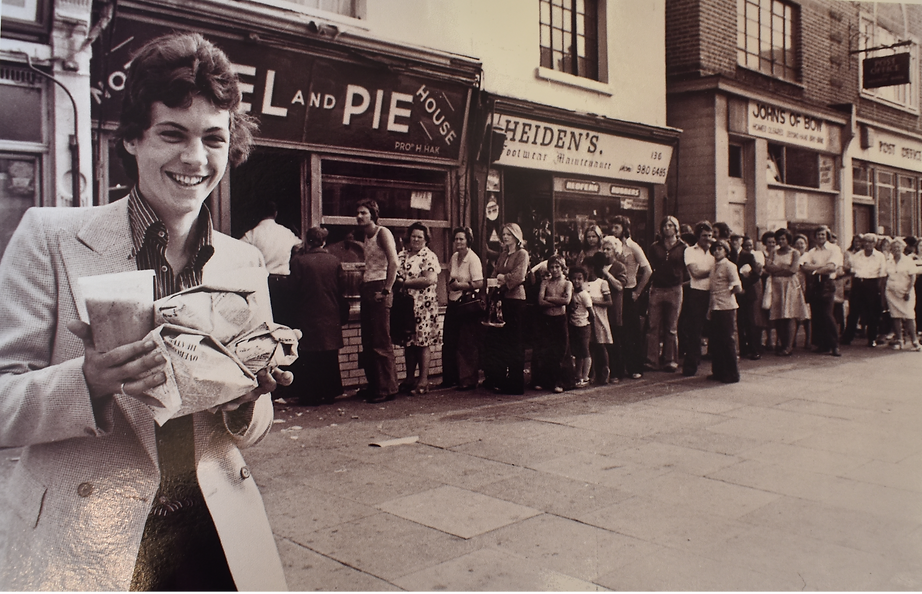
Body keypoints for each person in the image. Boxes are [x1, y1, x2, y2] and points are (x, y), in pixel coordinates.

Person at [0, 33, 289, 590]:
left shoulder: (243, 262)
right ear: (133, 138)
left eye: (214, 138)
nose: (195, 159)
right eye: (172, 134)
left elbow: (251, 430)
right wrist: (85, 383)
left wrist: (249, 400)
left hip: (214, 538)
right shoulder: (49, 239)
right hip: (88, 542)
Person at [289, 226, 347, 405]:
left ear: (308, 241)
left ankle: (310, 395)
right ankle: (330, 392)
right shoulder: (335, 261)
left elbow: (293, 289)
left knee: (309, 356)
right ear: (324, 241)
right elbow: (341, 290)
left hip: (307, 314)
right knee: (329, 355)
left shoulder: (299, 262)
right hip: (330, 313)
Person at [356, 199, 399, 403]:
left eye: (363, 212)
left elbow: (394, 261)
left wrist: (386, 290)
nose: (359, 216)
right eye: (358, 213)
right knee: (369, 339)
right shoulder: (365, 235)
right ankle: (374, 384)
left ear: (373, 214)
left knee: (381, 339)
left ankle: (387, 388)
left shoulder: (383, 233)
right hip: (368, 286)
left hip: (380, 286)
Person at [482, 223, 529, 395]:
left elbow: (518, 276)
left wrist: (503, 278)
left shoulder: (522, 254)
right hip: (501, 300)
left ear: (516, 236)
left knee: (515, 341)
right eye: (503, 234)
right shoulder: (502, 255)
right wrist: (496, 281)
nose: (505, 237)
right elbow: (494, 274)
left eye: (508, 234)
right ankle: (499, 379)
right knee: (500, 341)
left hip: (515, 301)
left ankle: (515, 383)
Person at [395, 222, 441, 395]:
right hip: (405, 306)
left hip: (424, 306)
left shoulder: (429, 256)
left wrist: (404, 283)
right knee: (409, 342)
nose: (416, 239)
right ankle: (409, 378)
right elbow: (393, 273)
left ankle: (423, 380)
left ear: (426, 239)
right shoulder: (402, 255)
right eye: (413, 236)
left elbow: (429, 279)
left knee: (422, 343)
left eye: (420, 237)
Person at [240, 200, 302, 325]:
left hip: (263, 283)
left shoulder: (252, 234)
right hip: (284, 283)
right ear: (275, 213)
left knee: (265, 321)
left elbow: (238, 249)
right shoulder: (286, 232)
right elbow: (299, 246)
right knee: (283, 321)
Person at [442, 227, 484, 391]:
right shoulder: (454, 257)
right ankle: (451, 378)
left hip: (467, 305)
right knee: (450, 340)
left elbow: (479, 283)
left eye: (462, 239)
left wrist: (461, 286)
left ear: (468, 241)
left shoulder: (473, 259)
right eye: (456, 239)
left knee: (466, 342)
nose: (458, 242)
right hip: (454, 302)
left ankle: (467, 379)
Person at [610, 215, 652, 379]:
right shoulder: (611, 245)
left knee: (632, 331)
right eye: (612, 227)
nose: (614, 230)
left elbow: (648, 270)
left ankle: (635, 367)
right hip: (616, 291)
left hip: (629, 291)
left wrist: (638, 291)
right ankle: (619, 368)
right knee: (618, 330)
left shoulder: (633, 247)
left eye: (617, 227)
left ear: (624, 228)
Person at [645, 215, 687, 372]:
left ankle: (670, 360)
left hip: (675, 289)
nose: (667, 228)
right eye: (665, 226)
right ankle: (651, 360)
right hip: (657, 289)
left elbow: (687, 269)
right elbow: (651, 267)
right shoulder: (655, 247)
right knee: (653, 326)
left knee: (671, 327)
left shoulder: (683, 247)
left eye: (670, 225)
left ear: (676, 228)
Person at [764, 228, 809, 356]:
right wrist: (784, 268)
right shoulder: (774, 252)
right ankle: (782, 343)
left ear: (788, 239)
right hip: (776, 286)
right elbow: (768, 267)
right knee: (778, 315)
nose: (780, 241)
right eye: (778, 239)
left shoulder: (794, 253)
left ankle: (788, 346)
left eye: (783, 238)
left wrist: (777, 269)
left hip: (790, 285)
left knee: (789, 315)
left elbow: (793, 270)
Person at [801, 225, 843, 356]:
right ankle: (822, 344)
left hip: (827, 283)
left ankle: (834, 344)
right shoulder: (812, 252)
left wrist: (814, 269)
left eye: (823, 235)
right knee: (816, 315)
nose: (820, 237)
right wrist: (820, 267)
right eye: (818, 235)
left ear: (827, 236)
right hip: (815, 284)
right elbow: (804, 266)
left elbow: (831, 268)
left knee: (827, 314)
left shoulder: (834, 249)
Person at [680, 221, 714, 376]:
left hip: (715, 293)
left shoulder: (716, 250)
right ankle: (691, 365)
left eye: (710, 235)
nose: (708, 239)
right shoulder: (690, 251)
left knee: (716, 330)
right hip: (698, 293)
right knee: (695, 330)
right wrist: (716, 270)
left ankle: (718, 366)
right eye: (704, 236)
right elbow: (696, 273)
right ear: (698, 237)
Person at [534, 255, 572, 393]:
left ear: (563, 268)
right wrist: (557, 299)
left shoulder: (567, 283)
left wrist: (549, 298)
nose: (554, 270)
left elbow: (566, 301)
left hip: (560, 319)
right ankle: (545, 380)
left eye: (557, 267)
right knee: (546, 350)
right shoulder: (545, 283)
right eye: (552, 267)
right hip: (547, 319)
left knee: (560, 350)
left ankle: (560, 381)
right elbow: (540, 301)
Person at [841, 233, 887, 348]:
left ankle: (871, 339)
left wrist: (879, 289)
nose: (867, 244)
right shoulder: (857, 255)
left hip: (872, 284)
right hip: (858, 284)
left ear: (875, 243)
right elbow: (851, 269)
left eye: (870, 242)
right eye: (865, 241)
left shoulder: (880, 256)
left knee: (873, 314)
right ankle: (848, 337)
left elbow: (882, 274)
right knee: (853, 313)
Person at [708, 241, 743, 383]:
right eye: (714, 249)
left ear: (726, 251)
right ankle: (718, 371)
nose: (717, 252)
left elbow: (737, 287)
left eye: (720, 249)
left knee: (727, 340)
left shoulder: (729, 266)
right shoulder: (713, 267)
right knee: (716, 340)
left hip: (726, 307)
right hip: (715, 307)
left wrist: (727, 293)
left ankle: (733, 373)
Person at [600, 236, 628, 382]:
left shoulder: (620, 267)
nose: (605, 252)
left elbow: (619, 286)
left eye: (608, 249)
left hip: (614, 308)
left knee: (615, 341)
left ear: (615, 251)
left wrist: (607, 274)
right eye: (603, 249)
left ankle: (617, 372)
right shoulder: (598, 265)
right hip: (600, 307)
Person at [884, 237, 920, 351]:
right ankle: (899, 340)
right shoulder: (889, 262)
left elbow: (912, 277)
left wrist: (908, 291)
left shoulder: (908, 261)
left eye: (898, 247)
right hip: (891, 292)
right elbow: (885, 278)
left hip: (905, 292)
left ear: (903, 248)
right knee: (895, 316)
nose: (896, 250)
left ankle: (914, 341)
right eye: (894, 248)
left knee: (909, 316)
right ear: (891, 249)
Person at [586, 252, 613, 385]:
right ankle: (592, 373)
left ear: (592, 268)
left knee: (601, 345)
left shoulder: (602, 283)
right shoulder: (583, 284)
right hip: (587, 318)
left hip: (599, 318)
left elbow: (609, 302)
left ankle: (605, 371)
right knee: (590, 346)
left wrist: (592, 301)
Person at [736, 235, 763, 360]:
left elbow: (756, 275)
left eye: (737, 241)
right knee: (740, 322)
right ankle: (743, 349)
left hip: (747, 293)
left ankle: (755, 349)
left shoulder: (747, 256)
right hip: (736, 293)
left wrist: (744, 287)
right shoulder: (729, 255)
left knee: (751, 322)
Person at [568, 266, 594, 388]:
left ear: (584, 280)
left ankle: (585, 376)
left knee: (585, 351)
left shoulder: (584, 295)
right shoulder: (571, 293)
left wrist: (590, 327)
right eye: (574, 278)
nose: (576, 281)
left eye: (579, 279)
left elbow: (591, 312)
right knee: (577, 352)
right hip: (574, 325)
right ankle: (578, 375)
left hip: (583, 326)